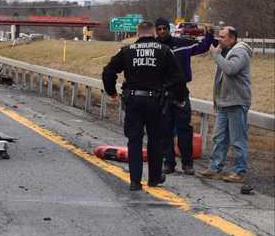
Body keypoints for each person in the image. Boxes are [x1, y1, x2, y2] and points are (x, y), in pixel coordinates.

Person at [102, 21, 187, 191]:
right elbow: (178, 77)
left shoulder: (127, 51)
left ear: (138, 33)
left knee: (134, 140)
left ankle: (135, 181)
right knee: (155, 140)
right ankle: (154, 179)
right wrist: (180, 97)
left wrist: (111, 92)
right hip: (156, 101)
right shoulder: (164, 51)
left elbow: (108, 71)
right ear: (154, 33)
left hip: (133, 101)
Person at [155, 17, 215, 175]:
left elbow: (202, 47)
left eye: (164, 28)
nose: (162, 31)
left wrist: (209, 35)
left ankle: (187, 164)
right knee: (165, 130)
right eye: (159, 29)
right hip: (162, 93)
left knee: (184, 130)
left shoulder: (182, 44)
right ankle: (169, 163)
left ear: (169, 28)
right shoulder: (155, 47)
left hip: (181, 92)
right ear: (156, 30)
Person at [197, 26, 253, 191]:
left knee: (237, 139)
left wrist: (215, 54)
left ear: (232, 39)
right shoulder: (227, 51)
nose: (219, 39)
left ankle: (239, 171)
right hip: (224, 102)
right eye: (218, 36)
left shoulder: (240, 52)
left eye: (222, 37)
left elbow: (230, 69)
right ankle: (215, 168)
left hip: (236, 102)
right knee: (219, 137)